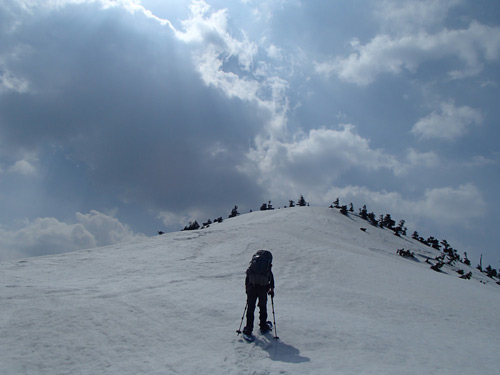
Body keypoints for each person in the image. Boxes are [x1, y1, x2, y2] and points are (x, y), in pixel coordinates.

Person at [243, 250, 275, 336]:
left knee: (250, 308)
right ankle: (263, 326)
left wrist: (247, 289)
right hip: (263, 289)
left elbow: (247, 277)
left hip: (252, 288)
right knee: (263, 308)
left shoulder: (253, 266)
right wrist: (271, 291)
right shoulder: (267, 267)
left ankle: (249, 328)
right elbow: (271, 280)